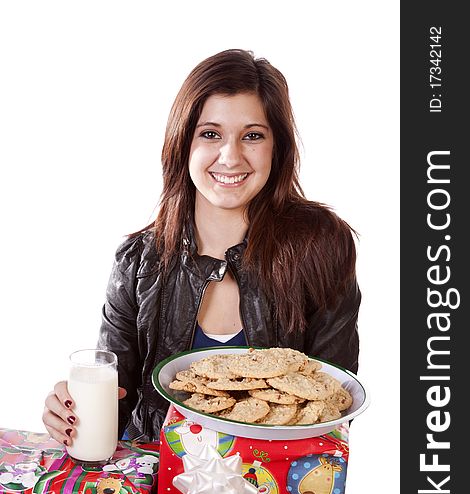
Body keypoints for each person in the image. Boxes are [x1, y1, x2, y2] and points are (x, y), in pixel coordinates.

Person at [42, 49, 361, 444]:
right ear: (183, 142)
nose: (231, 156)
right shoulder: (138, 262)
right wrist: (70, 412)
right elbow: (113, 400)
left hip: (277, 489)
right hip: (158, 484)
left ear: (277, 147)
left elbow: (334, 403)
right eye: (210, 134)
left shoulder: (321, 247)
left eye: (253, 135)